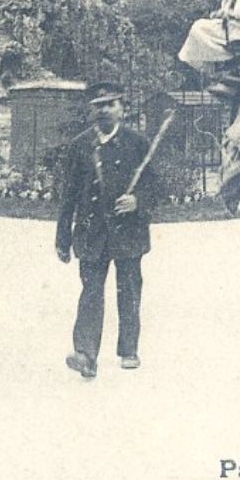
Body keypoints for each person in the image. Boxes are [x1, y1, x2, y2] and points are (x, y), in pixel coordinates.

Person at [55, 82, 160, 377]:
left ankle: (128, 349)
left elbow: (155, 186)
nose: (104, 109)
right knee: (91, 292)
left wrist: (138, 201)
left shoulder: (137, 143)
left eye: (110, 104)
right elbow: (68, 195)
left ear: (122, 108)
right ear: (91, 110)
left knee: (128, 290)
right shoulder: (80, 145)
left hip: (128, 231)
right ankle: (85, 354)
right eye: (98, 104)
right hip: (91, 232)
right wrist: (63, 238)